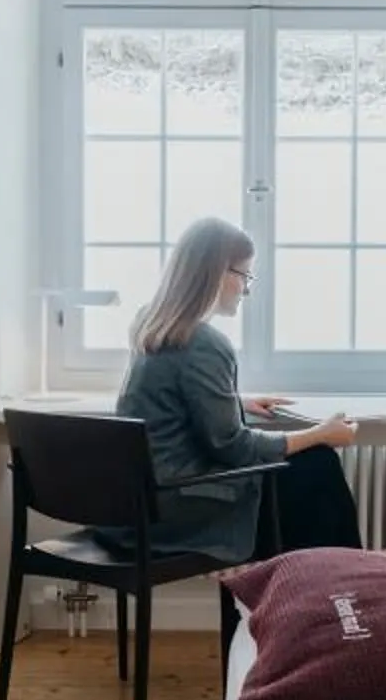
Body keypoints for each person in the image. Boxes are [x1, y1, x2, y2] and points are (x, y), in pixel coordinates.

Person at [114, 218, 363, 570]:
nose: (246, 289)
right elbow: (235, 447)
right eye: (244, 275)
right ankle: (343, 594)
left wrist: (234, 403)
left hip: (141, 503)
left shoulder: (151, 323)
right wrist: (321, 433)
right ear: (217, 273)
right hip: (179, 507)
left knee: (307, 475)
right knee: (318, 465)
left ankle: (322, 599)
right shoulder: (203, 343)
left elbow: (168, 404)